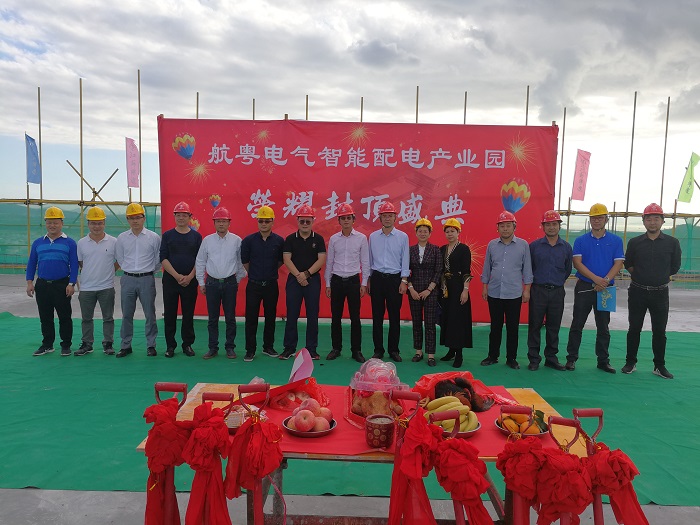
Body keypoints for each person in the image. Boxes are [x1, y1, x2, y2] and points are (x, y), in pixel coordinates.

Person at [623, 203, 681, 379]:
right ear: (644, 221)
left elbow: (675, 266)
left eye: (656, 218)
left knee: (659, 331)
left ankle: (659, 366)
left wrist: (659, 277)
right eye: (649, 219)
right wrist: (642, 276)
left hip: (660, 293)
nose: (652, 222)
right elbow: (628, 263)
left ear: (663, 221)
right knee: (634, 328)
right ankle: (630, 362)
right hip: (637, 292)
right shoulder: (635, 242)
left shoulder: (672, 243)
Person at [565, 203, 625, 373]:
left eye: (600, 218)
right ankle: (571, 359)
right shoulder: (580, 240)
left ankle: (603, 361)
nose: (597, 221)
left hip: (606, 289)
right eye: (593, 218)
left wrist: (605, 281)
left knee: (603, 326)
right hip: (585, 287)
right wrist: (596, 279)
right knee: (577, 324)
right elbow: (577, 263)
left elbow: (618, 263)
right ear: (589, 220)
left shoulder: (616, 241)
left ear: (606, 219)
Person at [480, 211, 533, 370]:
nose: (505, 229)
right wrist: (485, 287)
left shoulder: (523, 245)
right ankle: (492, 356)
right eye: (502, 226)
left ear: (514, 227)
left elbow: (527, 269)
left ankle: (511, 358)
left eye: (508, 225)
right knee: (495, 327)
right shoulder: (492, 245)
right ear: (497, 228)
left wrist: (527, 290)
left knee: (512, 327)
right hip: (494, 292)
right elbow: (487, 267)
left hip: (514, 293)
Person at [26, 206, 79, 357]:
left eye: (55, 222)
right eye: (49, 222)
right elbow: (31, 263)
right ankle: (47, 345)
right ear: (45, 223)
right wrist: (30, 282)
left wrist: (71, 283)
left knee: (64, 317)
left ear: (62, 223)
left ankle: (66, 345)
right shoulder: (38, 243)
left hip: (62, 284)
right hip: (42, 284)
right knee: (45, 317)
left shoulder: (70, 243)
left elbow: (74, 265)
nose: (52, 225)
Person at [195, 207, 247, 359]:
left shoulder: (237, 241)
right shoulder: (207, 241)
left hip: (230, 283)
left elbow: (241, 263)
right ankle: (213, 348)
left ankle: (230, 347)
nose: (221, 224)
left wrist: (237, 280)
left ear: (229, 223)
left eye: (224, 221)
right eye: (218, 221)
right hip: (211, 283)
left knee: (230, 317)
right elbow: (200, 261)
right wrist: (201, 282)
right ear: (214, 223)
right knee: (212, 318)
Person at [526, 210, 573, 371]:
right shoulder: (534, 246)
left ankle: (551, 358)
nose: (551, 227)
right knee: (535, 326)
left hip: (557, 292)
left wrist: (556, 282)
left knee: (554, 326)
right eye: (548, 224)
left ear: (559, 226)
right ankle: (534, 358)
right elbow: (529, 268)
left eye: (554, 224)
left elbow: (567, 269)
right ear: (543, 226)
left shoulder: (566, 247)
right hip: (538, 291)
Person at [280, 205, 327, 360]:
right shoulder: (290, 239)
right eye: (302, 221)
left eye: (308, 221)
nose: (305, 224)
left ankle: (311, 349)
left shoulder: (318, 239)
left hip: (312, 280)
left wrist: (306, 274)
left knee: (312, 315)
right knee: (292, 315)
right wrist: (299, 276)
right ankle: (289, 348)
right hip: (294, 280)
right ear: (297, 221)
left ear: (313, 221)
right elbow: (287, 259)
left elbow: (321, 259)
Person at [325, 203, 370, 363]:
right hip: (337, 280)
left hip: (353, 281)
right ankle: (336, 348)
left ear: (353, 219)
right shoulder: (334, 239)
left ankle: (356, 350)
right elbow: (329, 262)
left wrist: (363, 283)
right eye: (342, 218)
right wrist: (328, 283)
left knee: (355, 317)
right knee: (335, 317)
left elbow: (365, 262)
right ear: (338, 220)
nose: (346, 221)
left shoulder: (361, 238)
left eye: (348, 218)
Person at [115, 203, 161, 358]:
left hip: (146, 279)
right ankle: (125, 345)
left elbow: (157, 260)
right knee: (127, 314)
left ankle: (151, 345)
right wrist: (130, 270)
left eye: (138, 217)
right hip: (128, 278)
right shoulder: (122, 238)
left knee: (150, 313)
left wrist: (148, 272)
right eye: (131, 218)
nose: (135, 221)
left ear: (144, 218)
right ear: (127, 220)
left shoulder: (153, 237)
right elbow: (120, 258)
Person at [241, 205, 284, 362]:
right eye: (261, 221)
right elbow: (245, 262)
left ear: (273, 222)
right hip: (254, 285)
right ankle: (250, 350)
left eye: (267, 221)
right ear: (257, 221)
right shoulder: (249, 241)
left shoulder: (279, 241)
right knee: (251, 318)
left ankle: (268, 346)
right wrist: (256, 273)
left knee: (270, 317)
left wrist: (268, 272)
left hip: (271, 284)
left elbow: (281, 261)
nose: (264, 224)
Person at [368, 201, 410, 362]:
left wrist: (404, 280)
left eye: (390, 216)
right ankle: (378, 350)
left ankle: (394, 350)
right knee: (377, 316)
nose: (387, 218)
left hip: (394, 279)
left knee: (394, 316)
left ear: (395, 218)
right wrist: (369, 279)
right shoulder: (373, 237)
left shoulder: (402, 237)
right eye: (384, 216)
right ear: (380, 218)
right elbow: (369, 260)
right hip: (377, 278)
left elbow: (405, 260)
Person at [160, 201, 202, 358]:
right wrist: (177, 276)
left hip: (190, 281)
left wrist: (190, 276)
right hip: (171, 280)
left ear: (190, 217)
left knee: (188, 314)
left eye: (184, 215)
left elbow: (200, 259)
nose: (181, 218)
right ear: (174, 216)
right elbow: (163, 258)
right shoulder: (167, 235)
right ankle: (170, 346)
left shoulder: (196, 236)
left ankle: (187, 344)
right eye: (178, 215)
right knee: (170, 314)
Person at [75, 206, 118, 356]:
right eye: (93, 223)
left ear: (104, 223)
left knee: (108, 318)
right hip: (87, 288)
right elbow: (81, 262)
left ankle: (108, 344)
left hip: (106, 287)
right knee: (86, 318)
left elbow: (119, 260)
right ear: (88, 224)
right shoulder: (81, 243)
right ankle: (87, 344)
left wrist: (109, 271)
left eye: (99, 223)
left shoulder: (113, 242)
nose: (96, 226)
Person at [406, 217, 443, 367]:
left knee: (430, 323)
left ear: (430, 233)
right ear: (416, 233)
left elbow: (438, 270)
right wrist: (411, 288)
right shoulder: (410, 250)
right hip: (414, 291)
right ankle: (418, 351)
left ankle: (431, 354)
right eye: (420, 231)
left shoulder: (435, 250)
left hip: (430, 292)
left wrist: (429, 289)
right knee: (416, 322)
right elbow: (405, 270)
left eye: (425, 231)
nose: (422, 233)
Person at [437, 218, 472, 368]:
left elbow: (466, 271)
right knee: (447, 319)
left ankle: (459, 354)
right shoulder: (442, 249)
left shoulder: (464, 249)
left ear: (458, 232)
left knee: (458, 320)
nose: (450, 234)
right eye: (447, 231)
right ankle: (451, 350)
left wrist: (465, 290)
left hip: (458, 287)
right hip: (445, 288)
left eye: (453, 231)